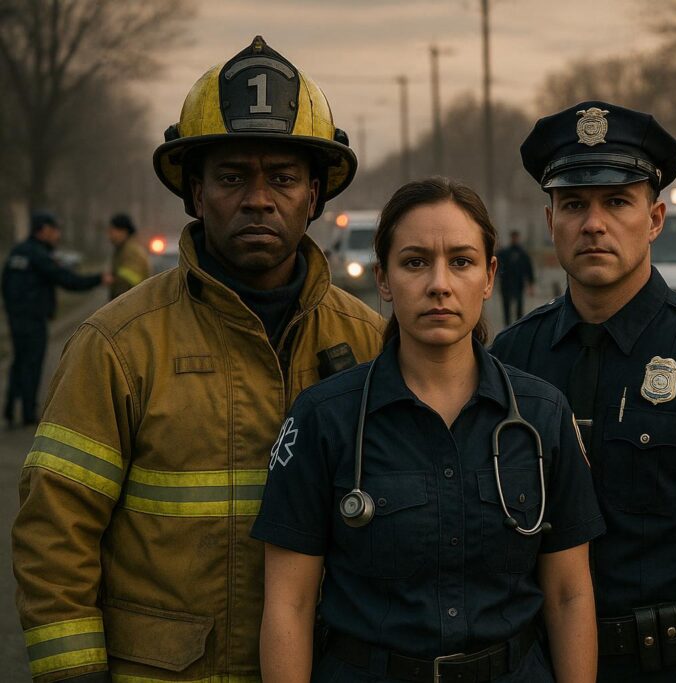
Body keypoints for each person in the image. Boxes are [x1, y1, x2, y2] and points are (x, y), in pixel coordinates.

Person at [11, 36, 384, 682]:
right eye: (233, 176)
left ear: (317, 196)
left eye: (284, 177)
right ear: (194, 192)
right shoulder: (117, 347)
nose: (259, 198)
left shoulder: (374, 342)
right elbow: (54, 541)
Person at [253, 177, 605, 683]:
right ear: (383, 279)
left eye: (461, 262)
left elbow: (570, 595)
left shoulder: (541, 414)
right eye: (415, 262)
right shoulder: (324, 418)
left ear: (489, 277)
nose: (439, 283)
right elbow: (290, 602)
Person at [490, 101, 676, 682]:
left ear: (654, 219)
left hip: (675, 665)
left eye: (618, 202)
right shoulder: (511, 359)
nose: (594, 223)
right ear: (550, 221)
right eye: (574, 204)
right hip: (537, 664)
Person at [2, 210, 109, 428]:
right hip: (33, 318)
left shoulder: (18, 252)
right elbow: (66, 280)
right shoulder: (38, 255)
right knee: (32, 362)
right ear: (43, 230)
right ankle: (29, 413)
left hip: (16, 316)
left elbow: (4, 284)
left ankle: (10, 409)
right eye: (54, 230)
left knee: (19, 360)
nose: (57, 235)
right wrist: (98, 279)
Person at [106, 212, 150, 299]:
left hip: (133, 302)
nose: (110, 236)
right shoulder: (122, 249)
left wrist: (114, 279)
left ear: (123, 231)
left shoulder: (131, 250)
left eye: (112, 231)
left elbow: (133, 279)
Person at [497, 229, 535, 325]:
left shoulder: (523, 253)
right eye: (513, 237)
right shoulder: (504, 252)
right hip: (506, 283)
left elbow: (529, 269)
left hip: (518, 283)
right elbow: (496, 263)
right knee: (506, 306)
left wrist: (530, 284)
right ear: (511, 238)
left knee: (519, 305)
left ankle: (519, 325)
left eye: (516, 237)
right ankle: (507, 325)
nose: (515, 239)